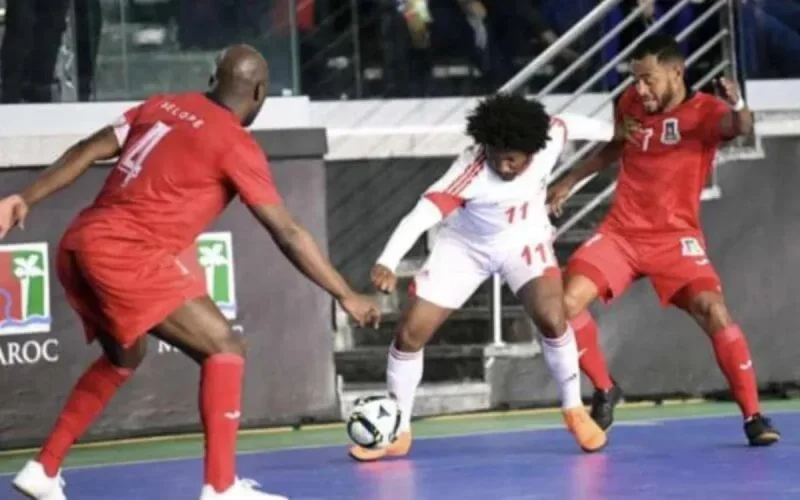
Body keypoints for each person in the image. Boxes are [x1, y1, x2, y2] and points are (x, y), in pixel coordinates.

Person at [1, 45, 380, 500]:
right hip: (126, 255)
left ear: (212, 77)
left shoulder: (161, 105)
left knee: (125, 358)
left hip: (80, 243)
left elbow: (87, 149)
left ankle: (44, 469)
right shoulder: (237, 144)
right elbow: (289, 233)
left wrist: (24, 198)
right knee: (224, 346)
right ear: (260, 92)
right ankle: (221, 489)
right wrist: (345, 293)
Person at [348, 93, 616, 462]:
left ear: (531, 150)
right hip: (465, 248)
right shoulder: (469, 172)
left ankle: (574, 410)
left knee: (554, 318)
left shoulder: (550, 136)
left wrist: (619, 129)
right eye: (496, 155)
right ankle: (399, 430)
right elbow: (421, 215)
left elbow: (576, 124)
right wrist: (387, 261)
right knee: (411, 332)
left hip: (523, 239)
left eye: (513, 159)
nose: (504, 166)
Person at [547, 35, 781, 446]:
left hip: (676, 238)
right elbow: (616, 146)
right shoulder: (630, 104)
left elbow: (740, 127)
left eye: (648, 80)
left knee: (715, 312)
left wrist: (740, 105)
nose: (640, 90)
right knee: (562, 306)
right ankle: (605, 389)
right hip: (621, 233)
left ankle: (754, 417)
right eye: (635, 80)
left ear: (676, 72)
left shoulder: (705, 113)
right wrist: (567, 181)